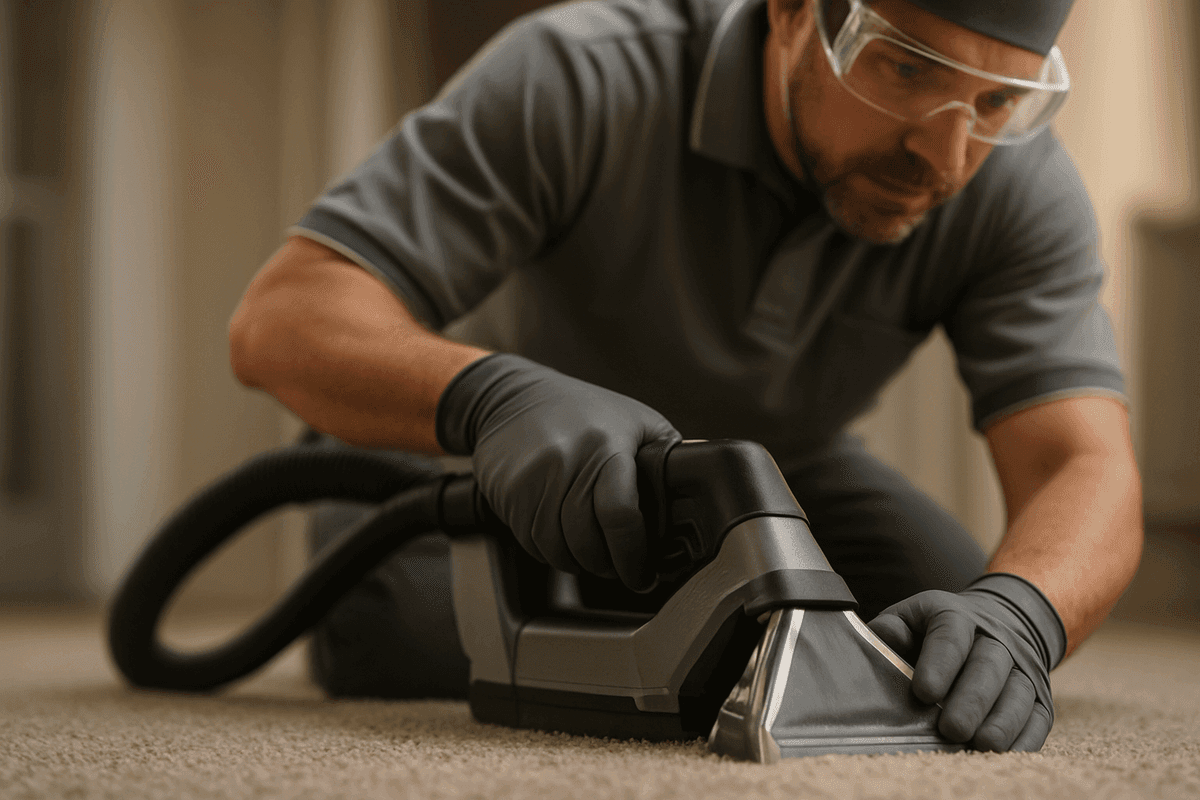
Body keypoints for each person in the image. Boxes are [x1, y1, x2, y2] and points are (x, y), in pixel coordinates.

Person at [228, 0, 1143, 753]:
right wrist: (491, 396)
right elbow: (283, 318)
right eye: (905, 69)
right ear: (789, 11)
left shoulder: (1016, 185)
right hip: (489, 457)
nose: (946, 161)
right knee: (411, 632)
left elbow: (1083, 462)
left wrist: (1022, 613)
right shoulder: (584, 74)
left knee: (940, 623)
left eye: (997, 102)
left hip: (767, 475)